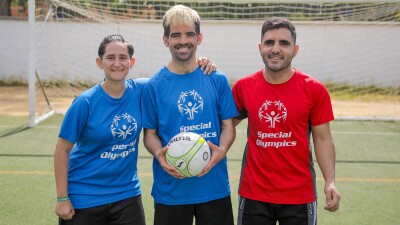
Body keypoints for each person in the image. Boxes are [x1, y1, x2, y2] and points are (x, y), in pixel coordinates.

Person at [53, 34, 216, 225]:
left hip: (127, 194)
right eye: (110, 58)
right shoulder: (85, 102)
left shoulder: (142, 89)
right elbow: (62, 151)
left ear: (132, 62)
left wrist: (200, 63)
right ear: (100, 62)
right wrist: (62, 198)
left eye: (123, 58)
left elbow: (174, 78)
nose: (117, 63)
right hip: (85, 196)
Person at [232, 17, 341, 225]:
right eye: (269, 42)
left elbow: (323, 139)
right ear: (260, 47)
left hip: (299, 195)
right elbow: (225, 127)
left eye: (284, 43)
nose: (275, 49)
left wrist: (330, 181)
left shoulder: (314, 90)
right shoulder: (243, 87)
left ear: (295, 49)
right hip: (253, 194)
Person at [140, 5, 238, 225]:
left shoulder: (217, 79)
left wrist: (221, 151)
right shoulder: (154, 85)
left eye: (189, 34)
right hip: (171, 190)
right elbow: (150, 134)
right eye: (175, 35)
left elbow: (228, 126)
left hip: (214, 187)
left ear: (199, 38)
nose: (183, 41)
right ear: (165, 40)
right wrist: (159, 155)